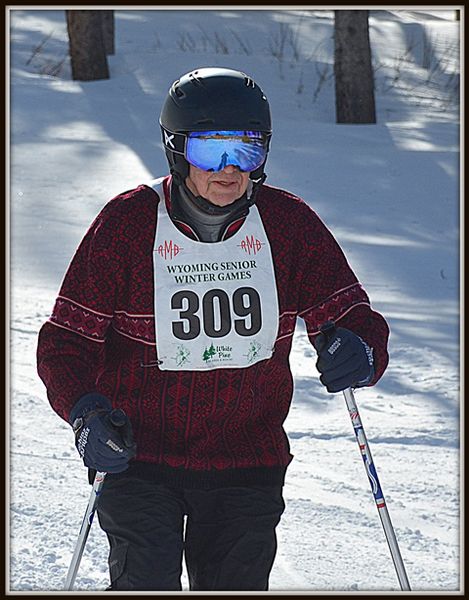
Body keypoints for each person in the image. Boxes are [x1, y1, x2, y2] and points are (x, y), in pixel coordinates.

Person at [37, 66, 390, 591]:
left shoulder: (288, 226)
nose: (230, 169)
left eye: (247, 150)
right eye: (210, 150)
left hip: (246, 457)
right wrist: (86, 413)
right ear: (177, 152)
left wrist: (358, 350)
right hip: (140, 456)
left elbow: (352, 317)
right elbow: (66, 342)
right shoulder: (128, 225)